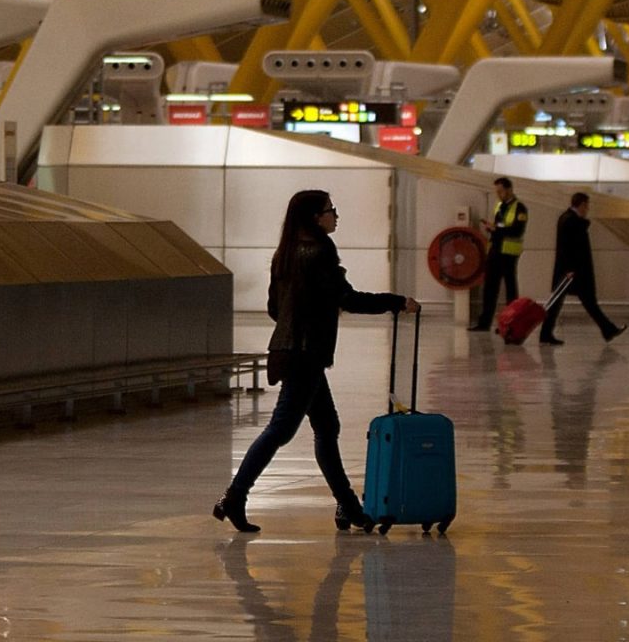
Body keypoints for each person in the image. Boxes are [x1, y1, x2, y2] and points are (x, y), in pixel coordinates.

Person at [216, 189, 418, 534]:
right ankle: (235, 495)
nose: (335, 215)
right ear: (316, 217)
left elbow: (274, 309)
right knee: (281, 429)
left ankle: (349, 506)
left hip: (288, 350)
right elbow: (346, 297)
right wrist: (396, 301)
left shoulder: (286, 252)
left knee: (327, 427)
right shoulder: (321, 249)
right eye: (331, 210)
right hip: (305, 355)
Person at [539, 193, 625, 345]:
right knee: (564, 302)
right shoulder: (571, 221)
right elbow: (568, 248)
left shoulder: (568, 219)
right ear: (582, 204)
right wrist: (570, 269)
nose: (588, 209)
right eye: (587, 205)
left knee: (580, 302)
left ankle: (608, 329)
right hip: (572, 272)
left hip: (572, 271)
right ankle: (607, 329)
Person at [466, 177, 528, 332]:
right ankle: (484, 322)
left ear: (509, 190)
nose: (499, 194)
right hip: (495, 251)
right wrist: (491, 228)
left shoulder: (519, 208)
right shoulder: (499, 206)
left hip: (508, 253)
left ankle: (511, 323)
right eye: (497, 192)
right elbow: (499, 225)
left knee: (510, 290)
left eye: (501, 191)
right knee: (489, 289)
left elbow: (517, 230)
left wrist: (497, 229)